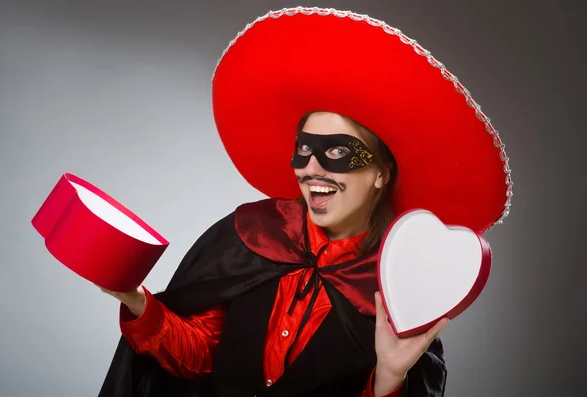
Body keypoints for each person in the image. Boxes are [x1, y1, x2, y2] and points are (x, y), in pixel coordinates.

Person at [97, 6, 513, 397]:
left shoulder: (399, 287)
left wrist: (389, 375)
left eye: (336, 153)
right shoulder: (253, 236)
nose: (310, 168)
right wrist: (135, 298)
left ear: (382, 174)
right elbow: (202, 356)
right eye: (303, 149)